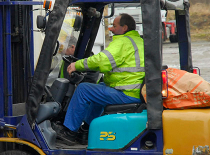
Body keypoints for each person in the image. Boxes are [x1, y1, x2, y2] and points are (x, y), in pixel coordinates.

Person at [53, 13, 145, 145]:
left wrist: (77, 65)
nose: (111, 29)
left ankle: (69, 132)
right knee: (100, 87)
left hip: (127, 93)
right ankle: (86, 130)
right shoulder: (138, 41)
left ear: (124, 28)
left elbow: (102, 61)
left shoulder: (123, 42)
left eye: (114, 26)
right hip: (133, 91)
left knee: (83, 89)